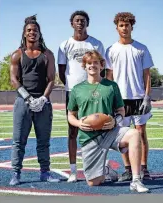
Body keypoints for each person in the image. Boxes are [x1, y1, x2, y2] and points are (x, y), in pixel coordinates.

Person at [67, 50, 149, 193]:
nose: (92, 65)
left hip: (111, 131)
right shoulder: (77, 89)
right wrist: (79, 123)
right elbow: (70, 115)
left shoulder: (111, 86)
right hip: (89, 137)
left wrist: (115, 121)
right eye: (89, 63)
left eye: (95, 62)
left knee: (135, 134)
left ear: (101, 65)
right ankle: (105, 169)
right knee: (94, 183)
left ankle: (136, 180)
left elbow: (121, 111)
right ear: (84, 66)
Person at [9, 15, 59, 185]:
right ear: (24, 33)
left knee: (43, 141)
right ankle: (15, 173)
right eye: (29, 30)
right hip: (23, 103)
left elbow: (52, 79)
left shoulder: (48, 54)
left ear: (39, 33)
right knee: (18, 140)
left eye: (35, 30)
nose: (32, 33)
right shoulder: (17, 54)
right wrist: (28, 98)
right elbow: (14, 79)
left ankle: (45, 172)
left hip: (43, 104)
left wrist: (44, 98)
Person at [58, 10, 106, 182]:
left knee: (98, 128)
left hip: (94, 90)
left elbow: (103, 67)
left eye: (83, 20)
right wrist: (75, 87)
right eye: (77, 20)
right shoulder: (65, 44)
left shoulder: (96, 44)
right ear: (72, 23)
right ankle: (73, 170)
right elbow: (62, 71)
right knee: (73, 131)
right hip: (74, 92)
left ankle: (101, 168)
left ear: (87, 23)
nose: (80, 23)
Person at [105, 12, 154, 181]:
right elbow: (109, 76)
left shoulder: (141, 48)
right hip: (120, 99)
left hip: (139, 97)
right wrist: (108, 97)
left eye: (127, 25)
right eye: (121, 25)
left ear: (132, 26)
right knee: (123, 135)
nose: (124, 28)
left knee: (140, 133)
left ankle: (143, 168)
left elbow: (146, 74)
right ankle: (127, 169)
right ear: (116, 28)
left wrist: (147, 96)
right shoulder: (111, 50)